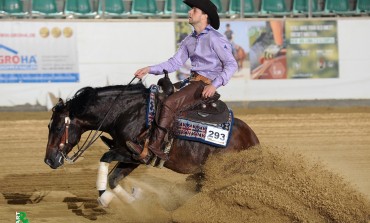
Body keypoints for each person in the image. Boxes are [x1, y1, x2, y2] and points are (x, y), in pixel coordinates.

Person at [126, 0, 238, 161]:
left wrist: (214, 85)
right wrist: (149, 69)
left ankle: (155, 145)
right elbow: (174, 63)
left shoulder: (215, 39)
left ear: (205, 16)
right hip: (192, 82)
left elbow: (231, 64)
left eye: (194, 10)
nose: (189, 12)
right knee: (157, 96)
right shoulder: (189, 40)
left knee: (169, 103)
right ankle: (147, 138)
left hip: (203, 84)